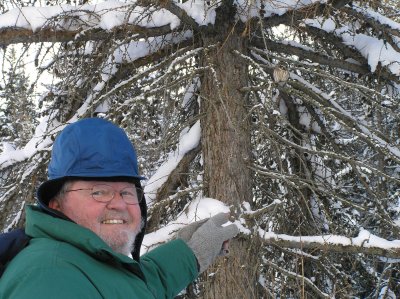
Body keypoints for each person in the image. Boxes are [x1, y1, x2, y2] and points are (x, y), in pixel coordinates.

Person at [0, 117, 239, 298]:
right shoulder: (49, 277)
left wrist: (189, 253)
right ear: (56, 205)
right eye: (99, 191)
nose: (119, 203)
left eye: (127, 191)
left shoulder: (83, 262)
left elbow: (132, 288)